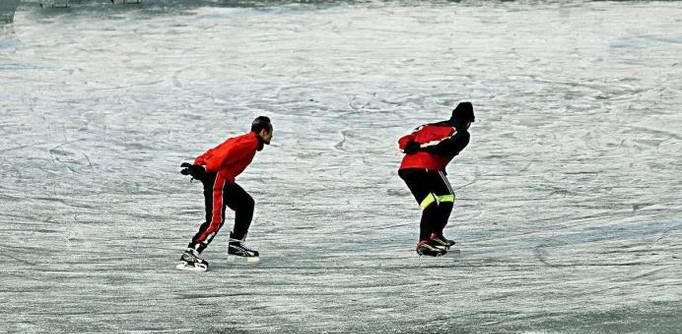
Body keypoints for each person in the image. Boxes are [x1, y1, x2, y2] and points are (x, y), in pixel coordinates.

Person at [177, 116, 273, 271]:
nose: (271, 137)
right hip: (217, 179)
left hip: (223, 179)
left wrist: (201, 162)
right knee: (216, 220)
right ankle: (190, 254)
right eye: (270, 133)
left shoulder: (245, 139)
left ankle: (236, 245)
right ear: (263, 131)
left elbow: (221, 148)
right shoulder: (251, 142)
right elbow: (226, 153)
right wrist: (204, 168)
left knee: (245, 203)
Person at [397, 102, 475, 256]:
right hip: (428, 167)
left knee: (430, 203)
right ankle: (433, 236)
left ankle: (426, 240)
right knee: (447, 197)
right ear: (468, 121)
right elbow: (443, 148)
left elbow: (404, 140)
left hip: (406, 169)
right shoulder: (460, 133)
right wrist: (422, 148)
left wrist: (412, 146)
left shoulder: (426, 127)